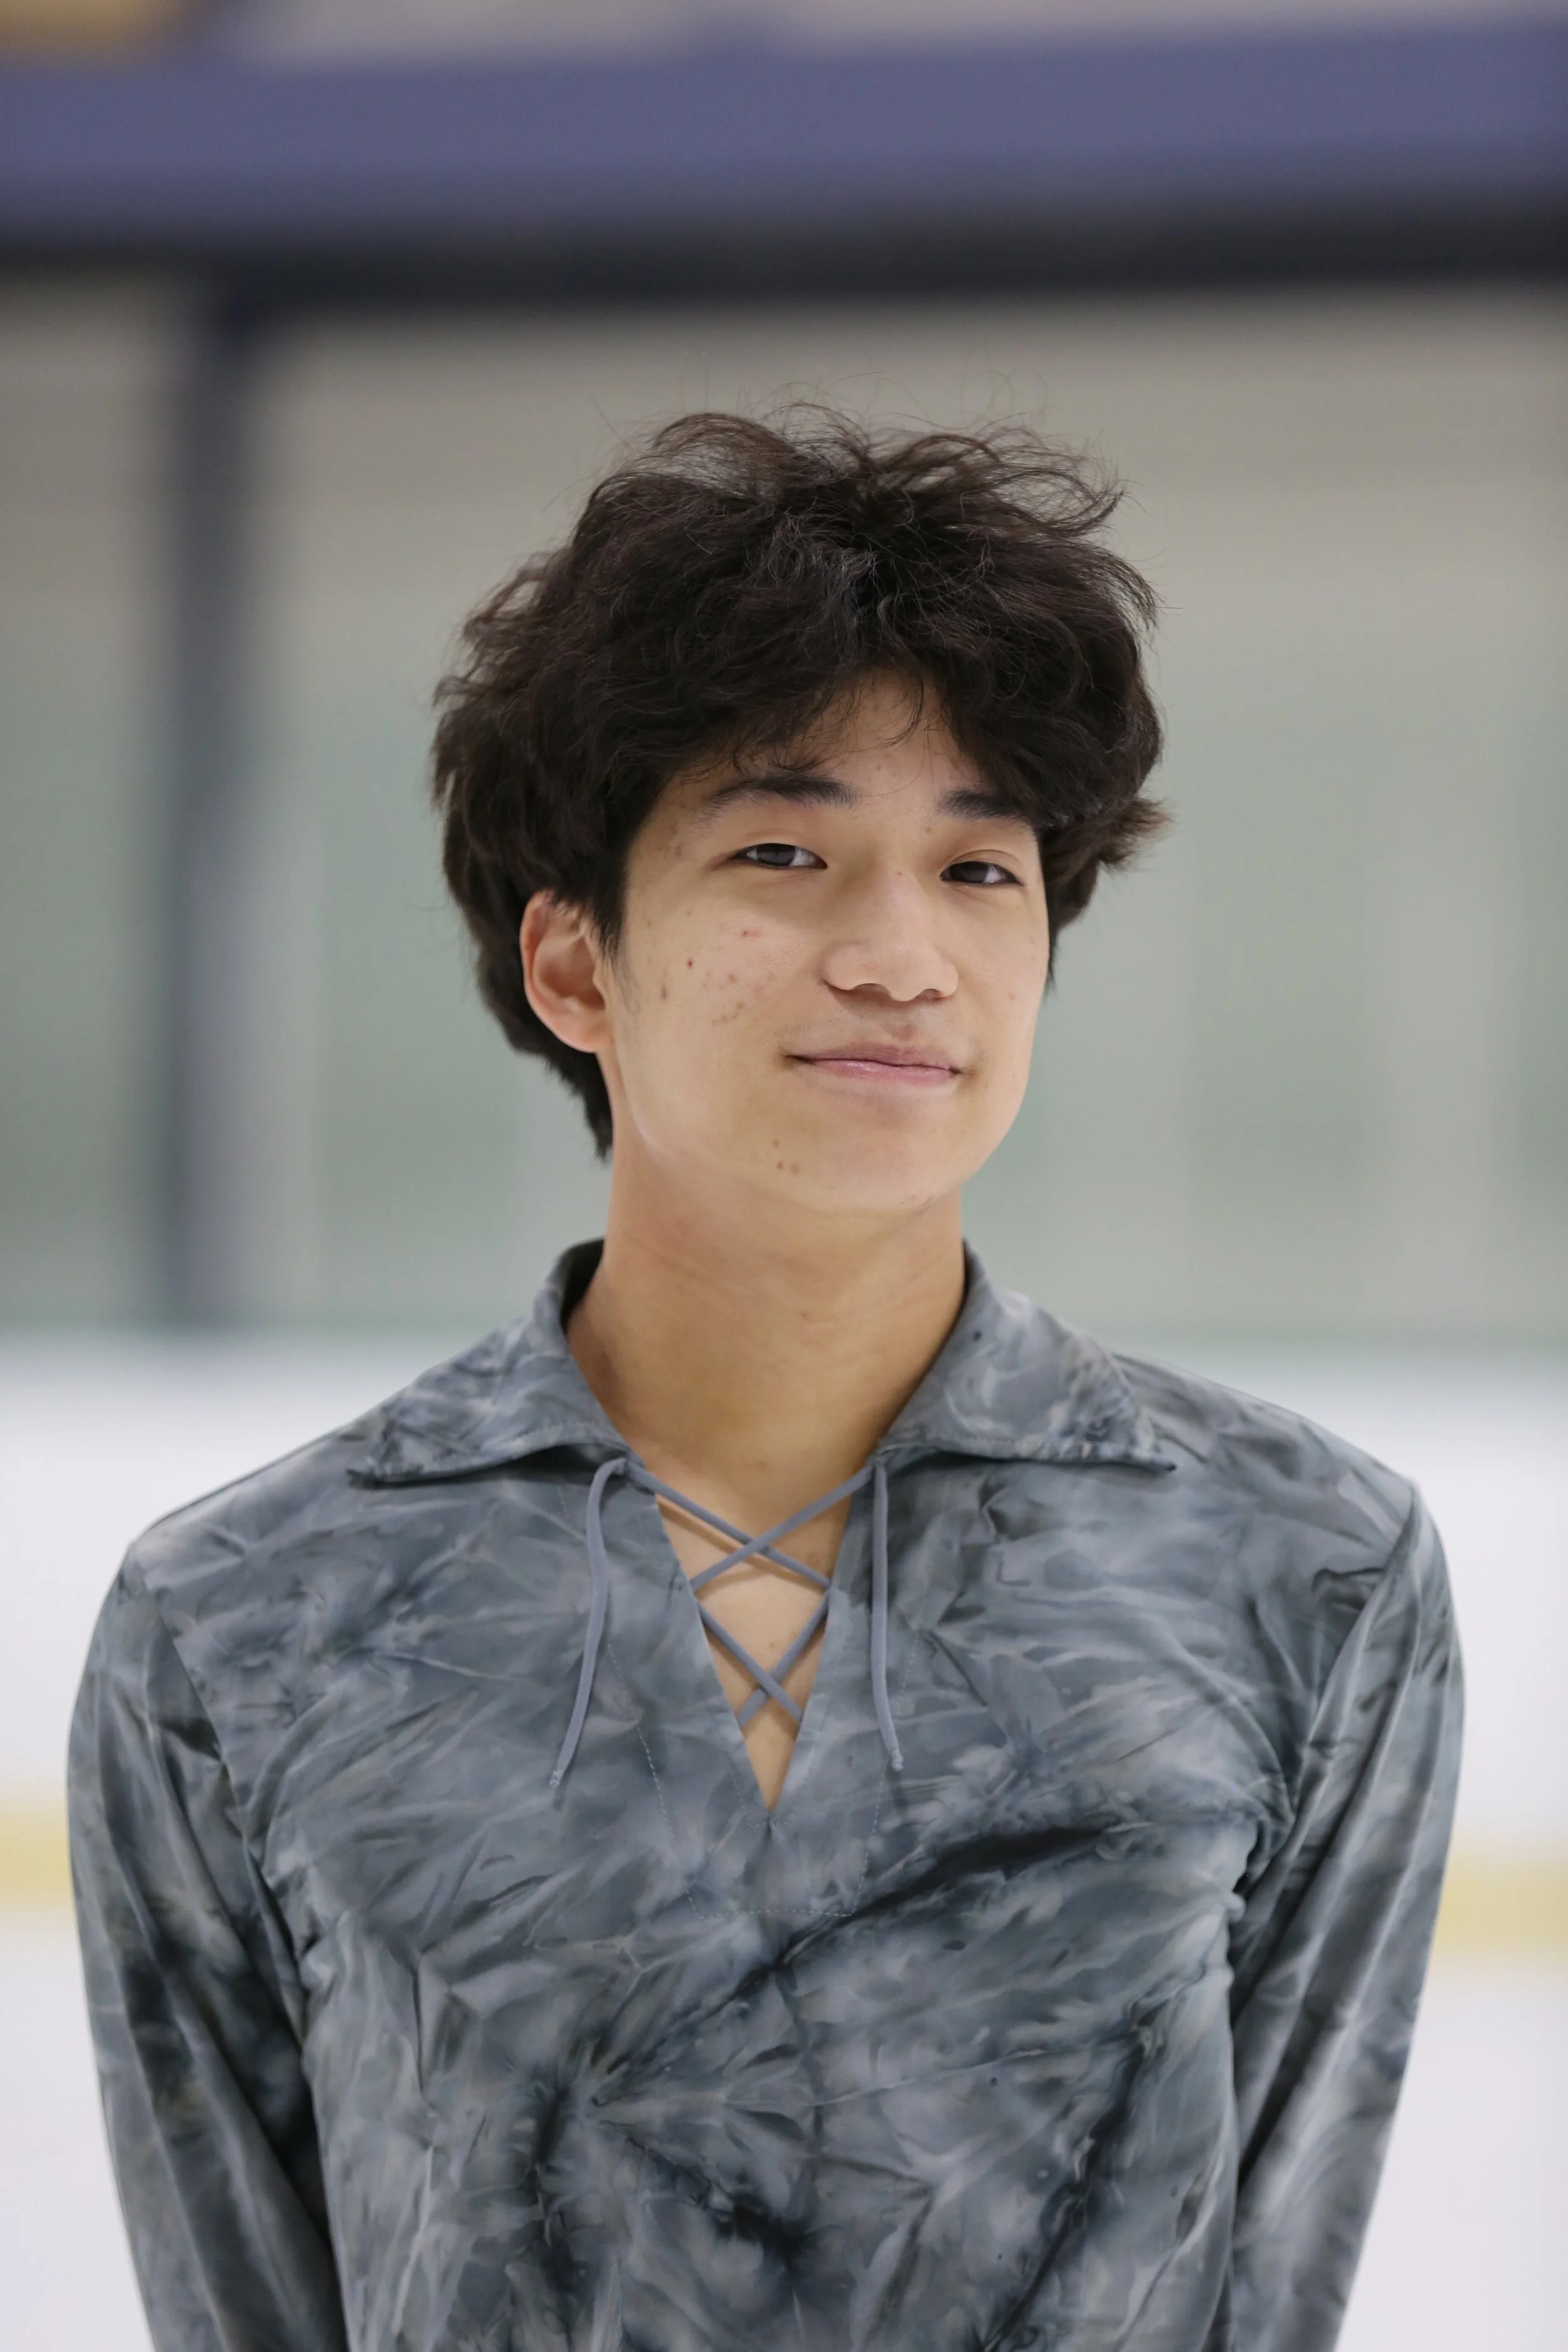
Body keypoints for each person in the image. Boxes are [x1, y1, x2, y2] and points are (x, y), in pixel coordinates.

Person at [69, 411, 1461, 2352]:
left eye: (978, 869)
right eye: (784, 849)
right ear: (574, 963)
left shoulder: (1297, 1567)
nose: (901, 954)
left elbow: (1272, 2287)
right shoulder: (248, 1617)